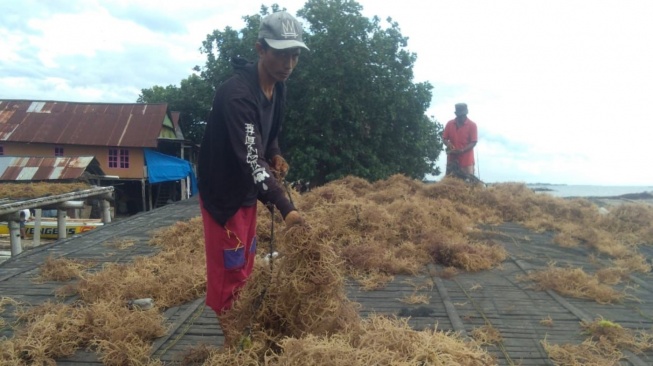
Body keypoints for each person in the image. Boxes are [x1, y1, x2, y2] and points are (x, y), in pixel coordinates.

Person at [197, 11, 308, 346]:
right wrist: (287, 209)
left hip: (248, 191)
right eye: (280, 53)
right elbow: (250, 161)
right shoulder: (237, 95)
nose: (288, 63)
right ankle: (233, 344)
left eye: (295, 54)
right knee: (228, 268)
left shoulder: (278, 87)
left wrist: (275, 152)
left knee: (245, 262)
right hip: (224, 195)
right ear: (261, 49)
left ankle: (240, 328)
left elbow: (267, 134)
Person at [442, 103, 478, 176]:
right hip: (452, 160)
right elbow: (444, 138)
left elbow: (474, 142)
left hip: (467, 161)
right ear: (456, 114)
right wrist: (448, 144)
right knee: (449, 184)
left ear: (466, 114)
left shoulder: (472, 125)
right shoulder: (449, 124)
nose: (462, 118)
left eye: (463, 115)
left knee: (467, 185)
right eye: (459, 116)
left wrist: (462, 150)